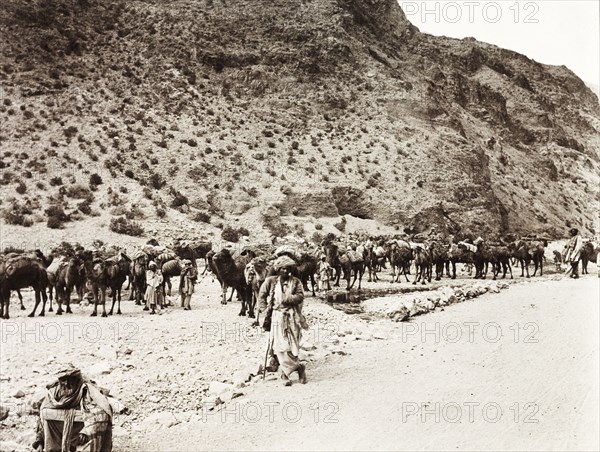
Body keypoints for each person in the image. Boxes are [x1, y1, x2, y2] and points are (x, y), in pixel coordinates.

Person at [32, 365, 113, 452]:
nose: (66, 383)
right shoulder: (54, 394)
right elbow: (42, 420)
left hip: (81, 436)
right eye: (63, 380)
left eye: (70, 380)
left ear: (77, 380)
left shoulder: (86, 392)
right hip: (58, 437)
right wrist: (39, 442)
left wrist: (85, 432)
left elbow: (101, 414)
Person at [258, 255, 308, 386]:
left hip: (291, 316)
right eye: (283, 269)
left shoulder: (296, 281)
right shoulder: (270, 281)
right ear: (278, 269)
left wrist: (286, 299)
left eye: (288, 269)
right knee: (280, 346)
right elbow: (261, 296)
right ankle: (289, 372)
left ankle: (294, 369)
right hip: (276, 316)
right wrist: (264, 310)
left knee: (292, 345)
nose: (285, 271)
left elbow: (300, 296)